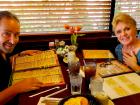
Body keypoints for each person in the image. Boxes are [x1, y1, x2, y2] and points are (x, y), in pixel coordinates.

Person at [0, 11, 44, 105]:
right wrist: (18, 87)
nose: (13, 41)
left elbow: (4, 65)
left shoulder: (3, 51)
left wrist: (20, 54)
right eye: (6, 34)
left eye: (16, 35)